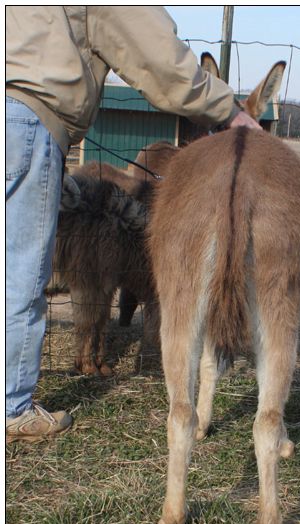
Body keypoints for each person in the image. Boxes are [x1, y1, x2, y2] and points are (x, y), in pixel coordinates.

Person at [6, 6, 261, 443]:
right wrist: (228, 110)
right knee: (21, 273)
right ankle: (12, 408)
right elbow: (156, 54)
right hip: (28, 118)